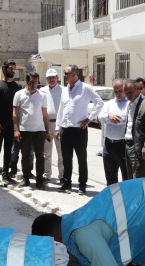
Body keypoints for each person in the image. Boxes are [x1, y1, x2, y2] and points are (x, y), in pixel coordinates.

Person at [55, 65, 104, 195]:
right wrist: (57, 127)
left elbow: (99, 102)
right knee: (66, 158)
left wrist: (89, 119)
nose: (64, 76)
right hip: (65, 129)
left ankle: (82, 185)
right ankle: (67, 184)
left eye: (66, 73)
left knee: (81, 158)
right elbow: (61, 109)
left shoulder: (85, 88)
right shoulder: (65, 90)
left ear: (74, 75)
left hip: (79, 129)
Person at [12, 72, 51, 189]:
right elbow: (15, 114)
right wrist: (16, 130)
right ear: (26, 81)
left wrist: (47, 131)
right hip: (24, 130)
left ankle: (39, 180)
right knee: (25, 156)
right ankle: (26, 179)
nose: (34, 83)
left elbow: (45, 114)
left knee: (40, 156)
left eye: (36, 81)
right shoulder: (19, 94)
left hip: (39, 131)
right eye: (31, 81)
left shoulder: (42, 95)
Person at [0, 60, 22, 188]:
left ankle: (6, 175)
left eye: (14, 68)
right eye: (10, 68)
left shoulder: (18, 87)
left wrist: (16, 126)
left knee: (9, 150)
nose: (12, 70)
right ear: (3, 69)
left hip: (11, 125)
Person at [98, 78, 129, 186]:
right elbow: (101, 117)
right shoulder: (109, 103)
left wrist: (110, 120)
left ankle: (126, 200)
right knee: (110, 176)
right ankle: (113, 200)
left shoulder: (129, 104)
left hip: (122, 145)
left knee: (126, 176)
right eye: (115, 91)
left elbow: (124, 119)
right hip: (108, 144)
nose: (118, 94)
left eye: (120, 91)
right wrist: (109, 116)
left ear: (124, 89)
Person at [39, 68, 64, 184]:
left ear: (57, 78)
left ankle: (62, 176)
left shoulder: (64, 90)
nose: (51, 79)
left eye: (53, 77)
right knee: (46, 152)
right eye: (49, 78)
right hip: (46, 124)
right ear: (46, 79)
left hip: (59, 124)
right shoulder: (42, 91)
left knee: (61, 152)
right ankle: (47, 174)